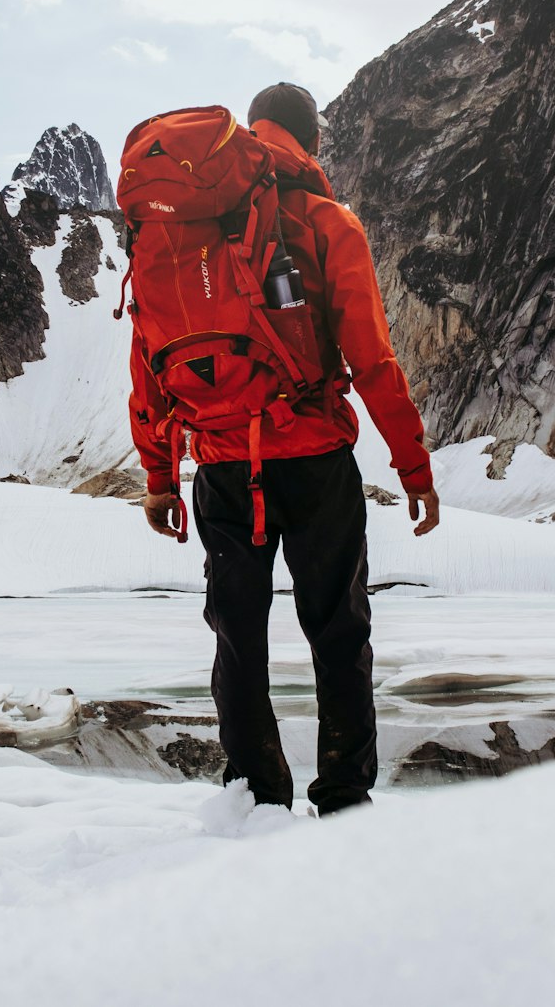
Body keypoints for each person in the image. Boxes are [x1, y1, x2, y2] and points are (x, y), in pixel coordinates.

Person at [131, 82, 439, 816]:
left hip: (220, 465)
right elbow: (373, 361)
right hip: (315, 460)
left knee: (237, 637)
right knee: (338, 632)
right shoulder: (326, 221)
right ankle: (342, 798)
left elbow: (147, 360)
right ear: (313, 141)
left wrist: (160, 477)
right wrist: (414, 466)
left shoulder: (176, 230)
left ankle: (255, 798)